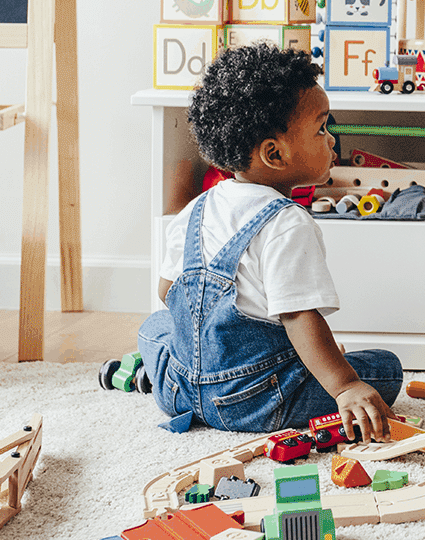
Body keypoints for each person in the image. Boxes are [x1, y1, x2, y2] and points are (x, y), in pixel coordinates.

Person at [137, 43, 403, 440]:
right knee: (385, 369)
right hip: (256, 400)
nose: (331, 140)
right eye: (321, 129)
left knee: (154, 327)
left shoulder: (196, 208)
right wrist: (345, 386)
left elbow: (166, 292)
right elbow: (299, 318)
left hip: (182, 390)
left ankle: (154, 376)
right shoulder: (287, 223)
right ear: (274, 154)